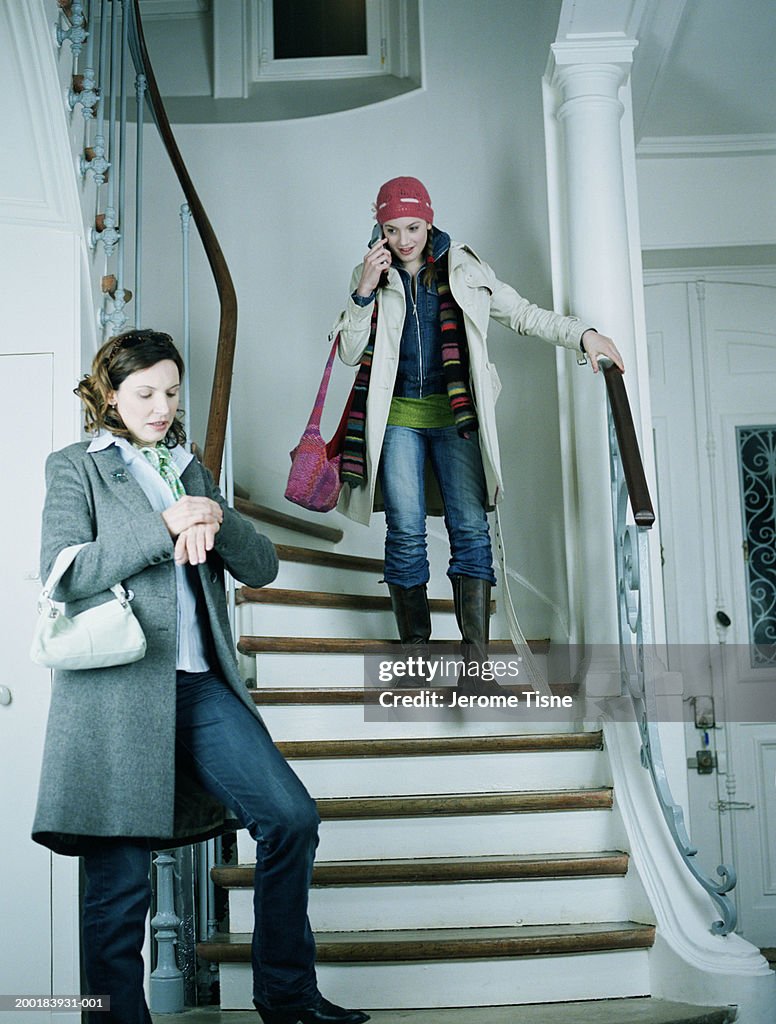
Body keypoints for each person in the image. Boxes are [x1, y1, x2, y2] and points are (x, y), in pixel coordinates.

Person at [31, 329, 369, 1024]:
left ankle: (286, 996)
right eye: (145, 393)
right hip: (117, 696)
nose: (161, 406)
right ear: (110, 395)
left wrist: (213, 511)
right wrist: (166, 524)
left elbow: (262, 567)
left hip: (199, 685)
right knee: (119, 889)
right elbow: (65, 573)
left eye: (171, 392)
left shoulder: (190, 467)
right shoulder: (75, 467)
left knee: (289, 819)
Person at [332, 176, 623, 690]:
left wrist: (584, 334)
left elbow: (524, 314)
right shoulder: (368, 273)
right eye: (393, 229)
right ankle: (416, 658)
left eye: (414, 227)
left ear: (430, 219)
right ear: (379, 227)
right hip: (397, 418)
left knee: (469, 530)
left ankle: (475, 668)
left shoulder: (464, 269)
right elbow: (352, 354)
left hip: (457, 418)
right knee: (404, 530)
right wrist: (361, 293)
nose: (404, 240)